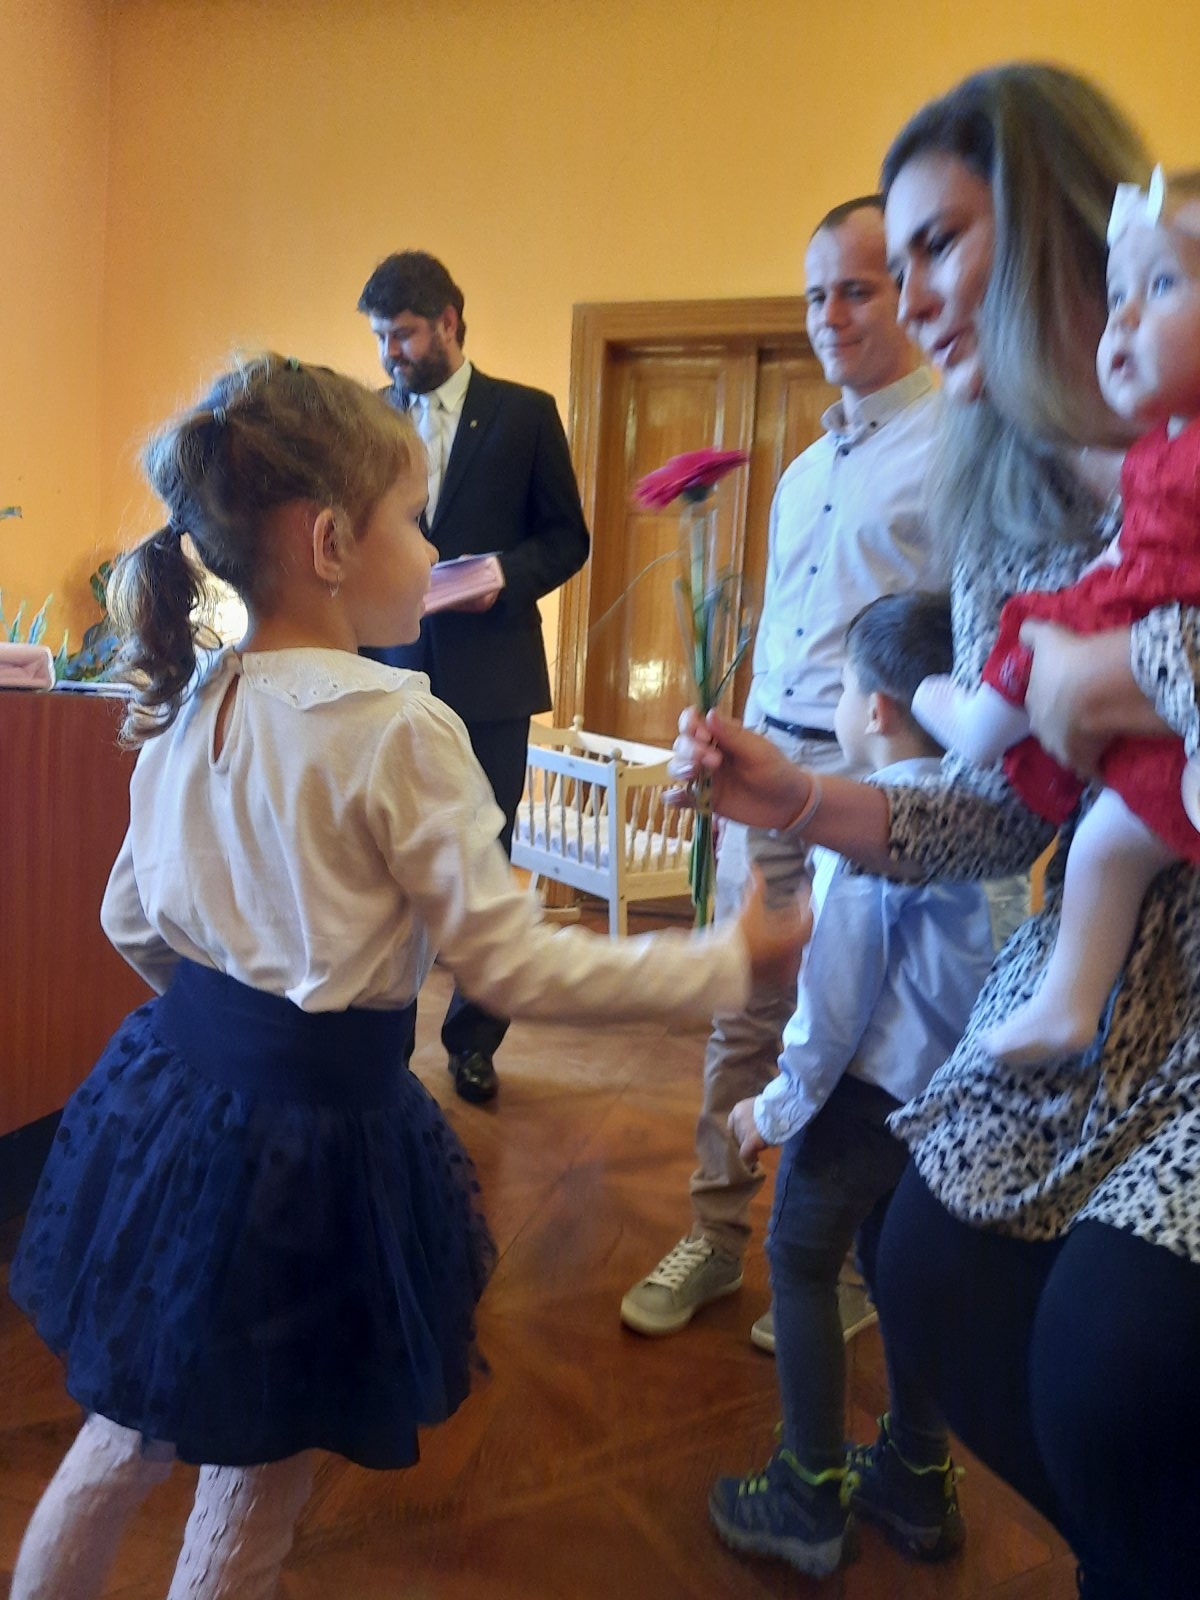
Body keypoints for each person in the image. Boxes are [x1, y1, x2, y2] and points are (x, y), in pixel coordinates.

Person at [5, 355, 806, 1600]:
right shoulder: (400, 725)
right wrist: (724, 961)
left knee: (122, 1435)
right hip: (310, 1148)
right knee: (252, 1488)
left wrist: (226, 1026)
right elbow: (510, 964)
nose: (436, 549)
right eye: (417, 519)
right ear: (330, 541)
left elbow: (132, 916)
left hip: (173, 1107)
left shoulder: (190, 700)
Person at [668, 64, 1200, 1600]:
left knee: (1114, 1357)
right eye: (880, 268)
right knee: (927, 1272)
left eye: (938, 246)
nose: (906, 300)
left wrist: (1129, 669)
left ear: (1063, 228)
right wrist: (799, 795)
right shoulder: (1007, 508)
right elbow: (997, 805)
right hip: (1105, 964)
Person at [620, 197, 947, 1349]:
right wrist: (726, 741)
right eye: (815, 294)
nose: (830, 315)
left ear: (909, 292)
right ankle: (715, 1234)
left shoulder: (958, 448)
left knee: (869, 1028)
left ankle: (848, 1265)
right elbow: (786, 633)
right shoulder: (804, 471)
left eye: (855, 290)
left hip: (880, 784)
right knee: (743, 1006)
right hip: (765, 770)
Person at [707, 592, 994, 1578]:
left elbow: (835, 1005)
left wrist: (773, 1107)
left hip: (859, 1103)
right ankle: (916, 1473)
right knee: (899, 1274)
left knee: (798, 1261)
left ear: (875, 708)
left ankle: (808, 1492)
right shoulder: (983, 822)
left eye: (840, 687)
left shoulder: (872, 839)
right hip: (942, 1104)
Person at [911, 167, 1200, 1065]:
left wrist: (1127, 663)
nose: (1126, 320)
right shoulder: (1157, 450)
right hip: (1129, 632)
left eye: (1161, 286)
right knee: (1101, 839)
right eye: (1118, 297)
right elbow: (1134, 522)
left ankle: (981, 719)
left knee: (1105, 835)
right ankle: (1068, 1003)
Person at [357, 250, 590, 1104]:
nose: (389, 353)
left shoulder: (526, 414)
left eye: (402, 333)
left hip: (493, 679)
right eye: (380, 337)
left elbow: (567, 539)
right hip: (387, 674)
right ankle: (380, 1039)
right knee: (383, 863)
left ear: (449, 322)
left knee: (485, 864)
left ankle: (475, 1043)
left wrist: (502, 576)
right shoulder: (369, 419)